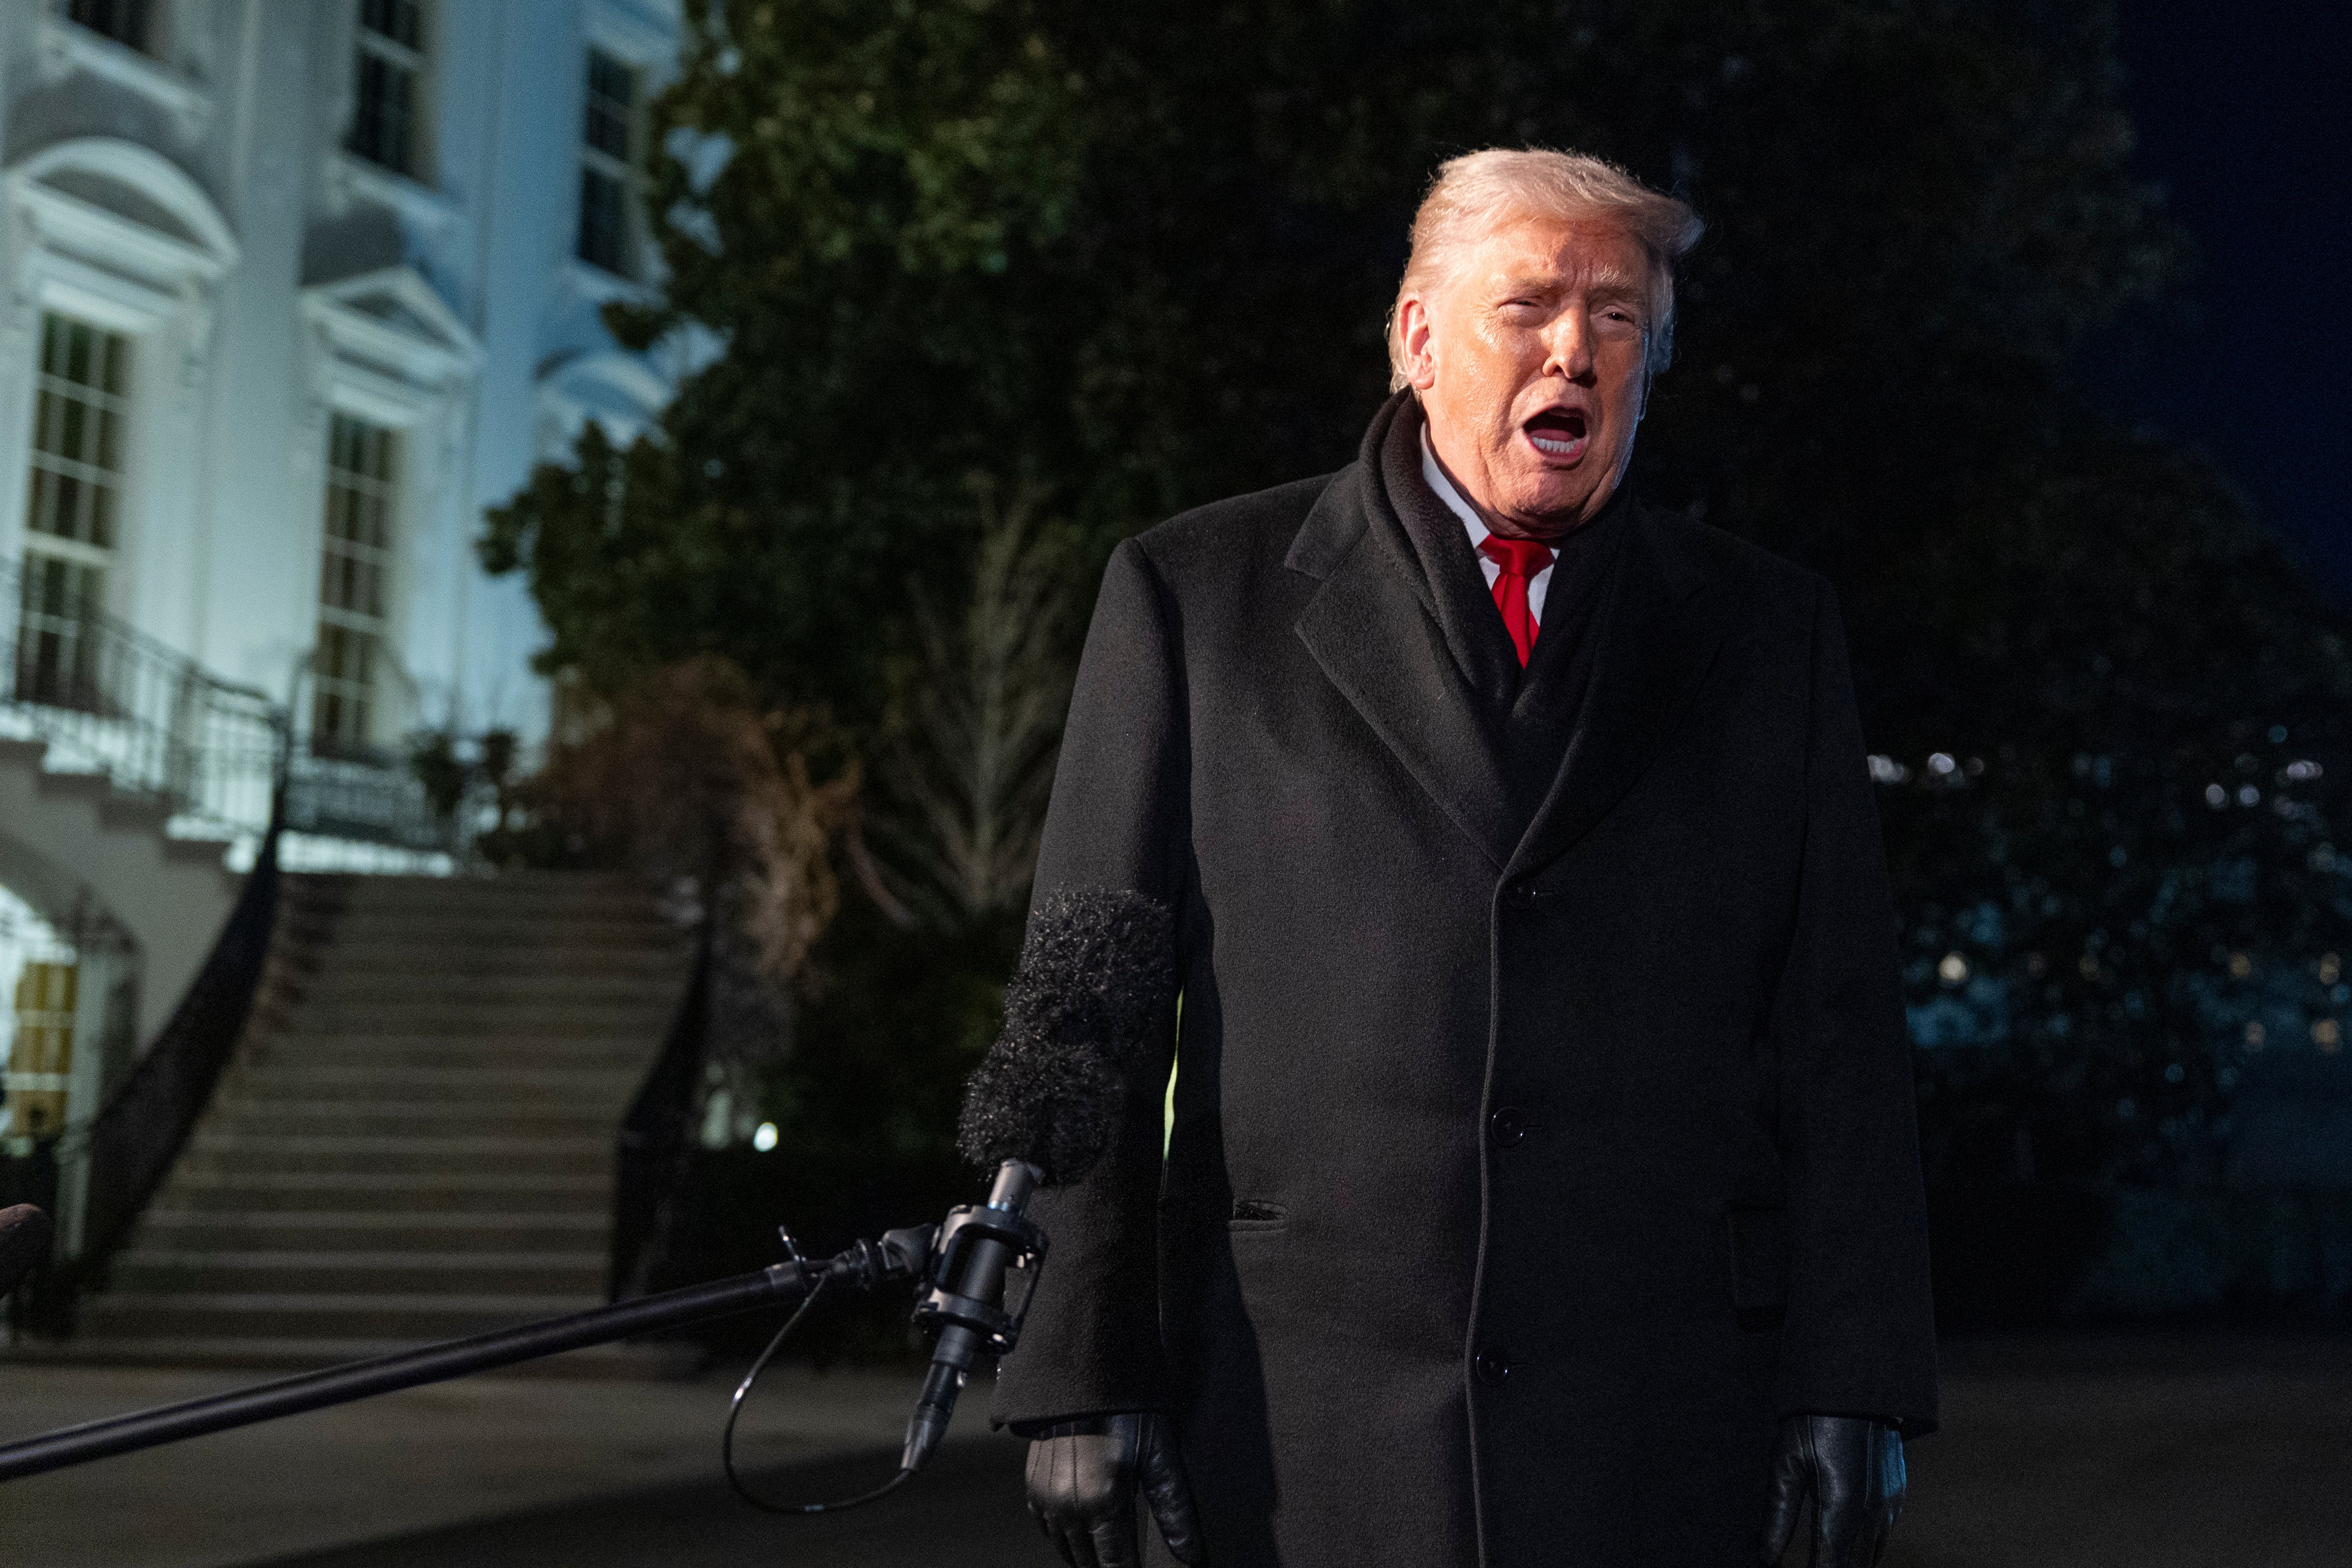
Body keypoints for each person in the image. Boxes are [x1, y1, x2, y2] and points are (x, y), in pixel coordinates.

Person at [997, 148, 1937, 1568]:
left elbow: (1843, 1031)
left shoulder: (1767, 634)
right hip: (1287, 1417)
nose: (1573, 346)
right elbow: (1084, 1005)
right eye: (1529, 305)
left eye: (1616, 317)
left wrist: (1854, 1378)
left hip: (1664, 1421)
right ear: (1415, 337)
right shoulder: (1192, 599)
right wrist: (1075, 1366)